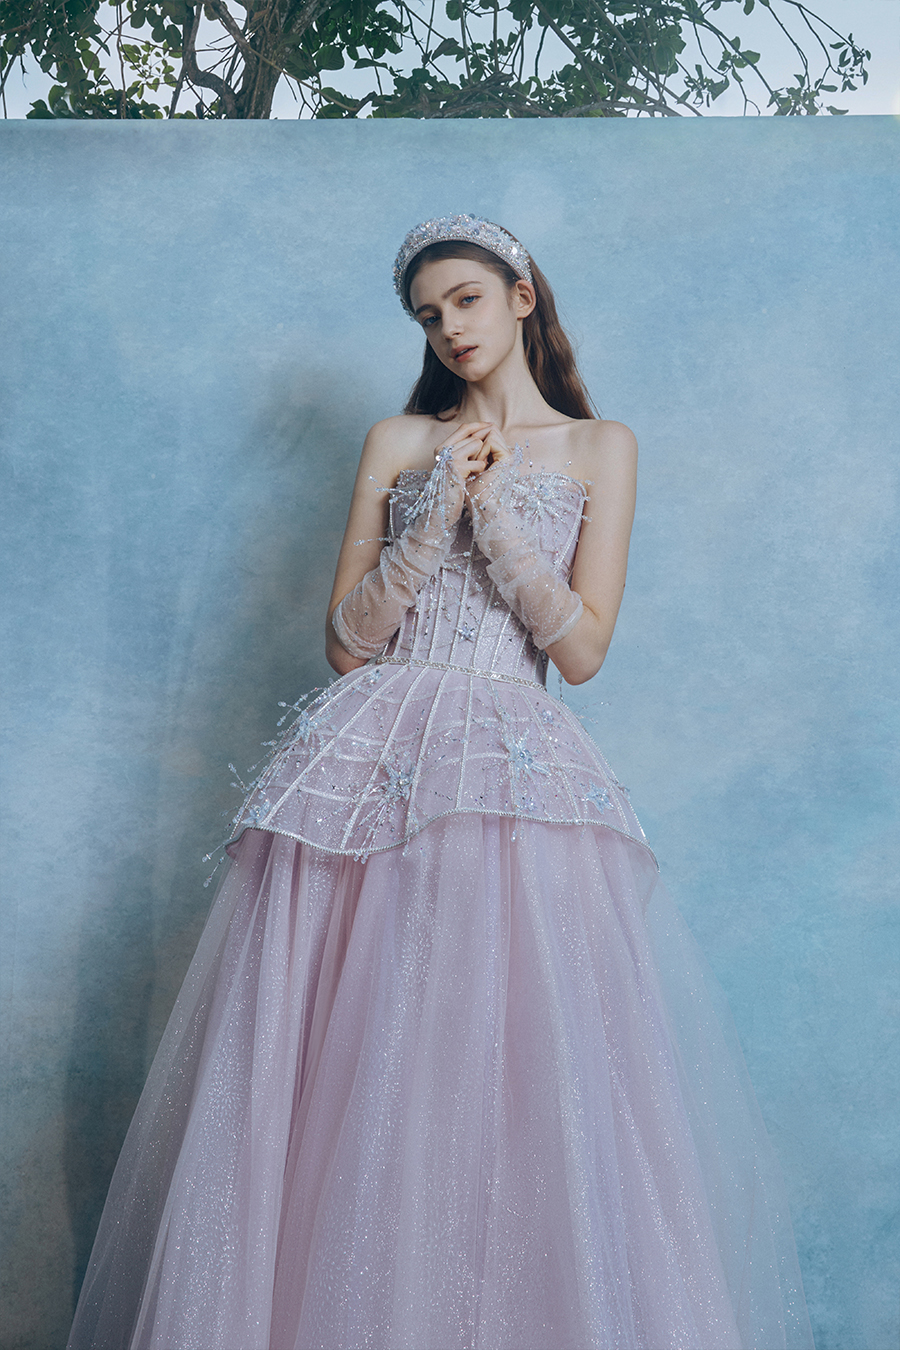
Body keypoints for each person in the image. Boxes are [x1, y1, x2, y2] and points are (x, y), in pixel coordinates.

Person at [68, 215, 815, 1350]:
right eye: (428, 314)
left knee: (503, 1057)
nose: (450, 328)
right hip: (366, 757)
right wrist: (431, 521)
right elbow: (346, 644)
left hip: (510, 771)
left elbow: (581, 652)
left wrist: (498, 515)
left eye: (466, 299)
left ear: (521, 296)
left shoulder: (600, 446)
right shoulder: (399, 439)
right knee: (350, 1050)